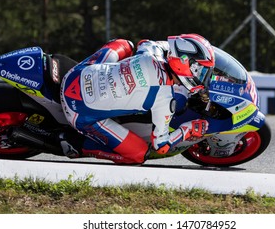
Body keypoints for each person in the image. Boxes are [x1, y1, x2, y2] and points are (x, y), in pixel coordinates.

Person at [59, 34, 215, 164]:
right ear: (183, 63)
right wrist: (188, 129)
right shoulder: (164, 100)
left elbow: (145, 43)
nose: (202, 76)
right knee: (139, 154)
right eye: (199, 70)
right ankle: (80, 147)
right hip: (78, 111)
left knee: (124, 44)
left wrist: (169, 48)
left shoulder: (150, 53)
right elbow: (161, 145)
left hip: (75, 74)